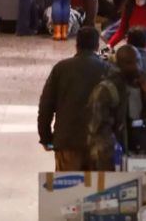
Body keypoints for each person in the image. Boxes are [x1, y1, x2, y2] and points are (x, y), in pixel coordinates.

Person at [87, 45, 146, 169]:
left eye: (138, 61)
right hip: (116, 164)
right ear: (118, 65)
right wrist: (120, 158)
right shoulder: (106, 91)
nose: (136, 67)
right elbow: (99, 131)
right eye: (129, 63)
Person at [37, 27, 111, 171]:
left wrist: (45, 137)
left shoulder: (61, 68)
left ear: (76, 45)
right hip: (99, 143)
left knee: (68, 191)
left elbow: (46, 105)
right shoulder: (107, 69)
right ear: (97, 46)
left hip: (67, 141)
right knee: (97, 189)